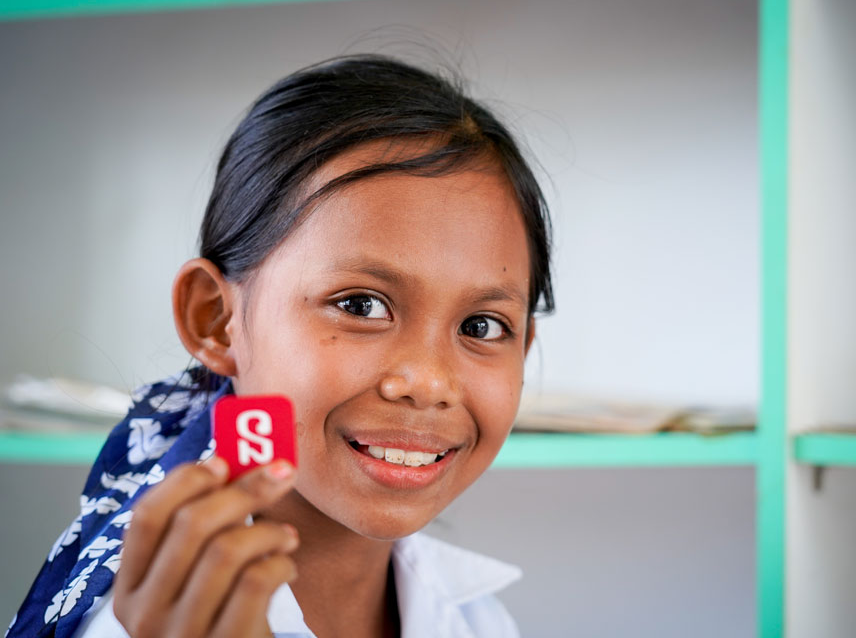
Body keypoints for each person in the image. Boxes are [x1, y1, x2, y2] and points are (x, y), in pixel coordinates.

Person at [7, 54, 554, 638]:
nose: (428, 381)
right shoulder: (132, 624)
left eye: (482, 326)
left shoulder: (477, 617)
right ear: (217, 320)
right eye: (360, 305)